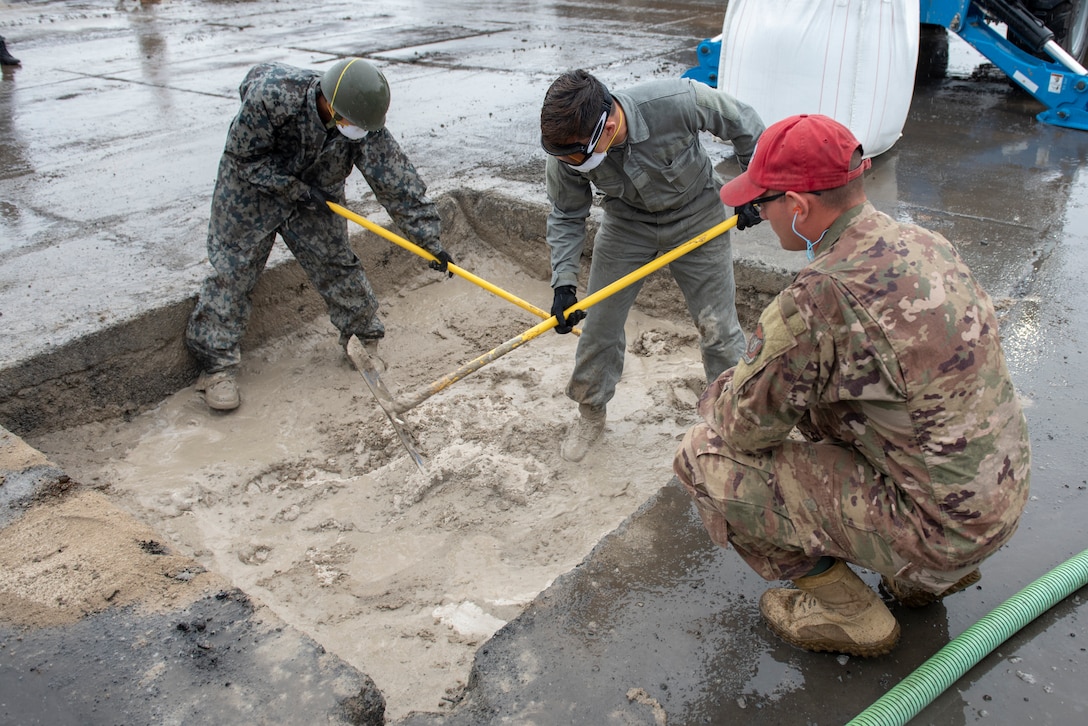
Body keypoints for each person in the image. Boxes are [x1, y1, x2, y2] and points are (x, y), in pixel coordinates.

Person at [673, 114, 1031, 657]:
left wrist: (724, 386)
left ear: (797, 206)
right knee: (824, 407)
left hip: (942, 529)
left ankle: (851, 612)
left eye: (762, 204)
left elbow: (742, 427)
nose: (757, 215)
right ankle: (922, 581)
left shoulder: (819, 297)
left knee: (702, 457)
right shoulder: (924, 241)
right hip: (997, 499)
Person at [187, 58, 453, 411]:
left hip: (317, 192)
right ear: (331, 105)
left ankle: (362, 340)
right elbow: (244, 159)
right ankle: (216, 367)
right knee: (233, 271)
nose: (359, 130)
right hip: (250, 187)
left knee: (336, 263)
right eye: (353, 123)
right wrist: (295, 190)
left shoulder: (362, 123)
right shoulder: (272, 99)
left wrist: (430, 243)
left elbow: (398, 182)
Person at [539, 70, 765, 462]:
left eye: (577, 156)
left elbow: (746, 125)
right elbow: (565, 214)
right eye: (565, 158)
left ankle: (733, 420)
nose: (572, 164)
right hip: (627, 225)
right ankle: (591, 412)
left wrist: (755, 186)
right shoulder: (567, 152)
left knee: (718, 328)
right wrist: (563, 284)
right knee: (599, 325)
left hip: (699, 215)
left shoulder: (678, 101)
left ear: (608, 127)